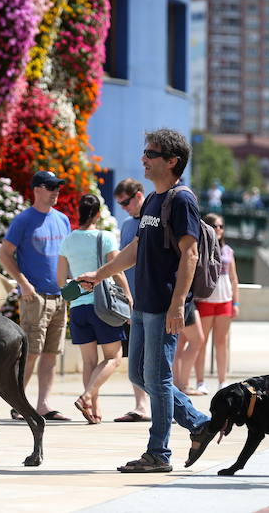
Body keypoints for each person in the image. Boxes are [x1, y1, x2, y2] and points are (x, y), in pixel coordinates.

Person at [78, 128, 213, 474]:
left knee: (159, 377)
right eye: (145, 152)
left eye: (151, 154)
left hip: (164, 306)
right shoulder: (153, 200)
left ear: (172, 161)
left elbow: (191, 254)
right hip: (142, 305)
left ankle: (159, 453)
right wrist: (100, 274)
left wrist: (177, 304)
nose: (144, 159)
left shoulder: (182, 200)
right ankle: (199, 422)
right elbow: (136, 249)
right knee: (139, 374)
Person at [0, 170, 72, 422]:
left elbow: (65, 256)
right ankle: (19, 403)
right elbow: (4, 254)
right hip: (35, 296)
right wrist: (23, 283)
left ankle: (43, 404)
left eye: (58, 188)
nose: (56, 192)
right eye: (51, 187)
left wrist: (70, 284)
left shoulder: (62, 219)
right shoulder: (24, 220)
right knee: (31, 352)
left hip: (60, 295)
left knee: (52, 352)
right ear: (37, 190)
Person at [57, 194, 131, 423]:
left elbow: (61, 280)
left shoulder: (67, 240)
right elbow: (117, 271)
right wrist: (129, 296)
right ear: (98, 214)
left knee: (89, 362)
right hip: (103, 306)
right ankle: (87, 396)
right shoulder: (105, 237)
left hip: (78, 308)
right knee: (114, 358)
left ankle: (93, 409)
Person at [111, 178, 151, 422]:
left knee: (156, 357)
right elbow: (122, 264)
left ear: (138, 195)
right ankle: (141, 406)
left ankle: (166, 405)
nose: (123, 207)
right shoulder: (127, 225)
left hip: (154, 298)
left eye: (125, 202)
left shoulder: (154, 221)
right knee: (135, 357)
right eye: (120, 203)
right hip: (133, 300)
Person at [193, 212, 239, 392]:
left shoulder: (228, 250)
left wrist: (236, 303)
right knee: (201, 342)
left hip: (224, 300)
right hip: (205, 299)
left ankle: (222, 381)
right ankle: (200, 381)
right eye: (214, 226)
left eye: (221, 226)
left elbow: (234, 278)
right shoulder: (201, 248)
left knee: (221, 342)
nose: (218, 229)